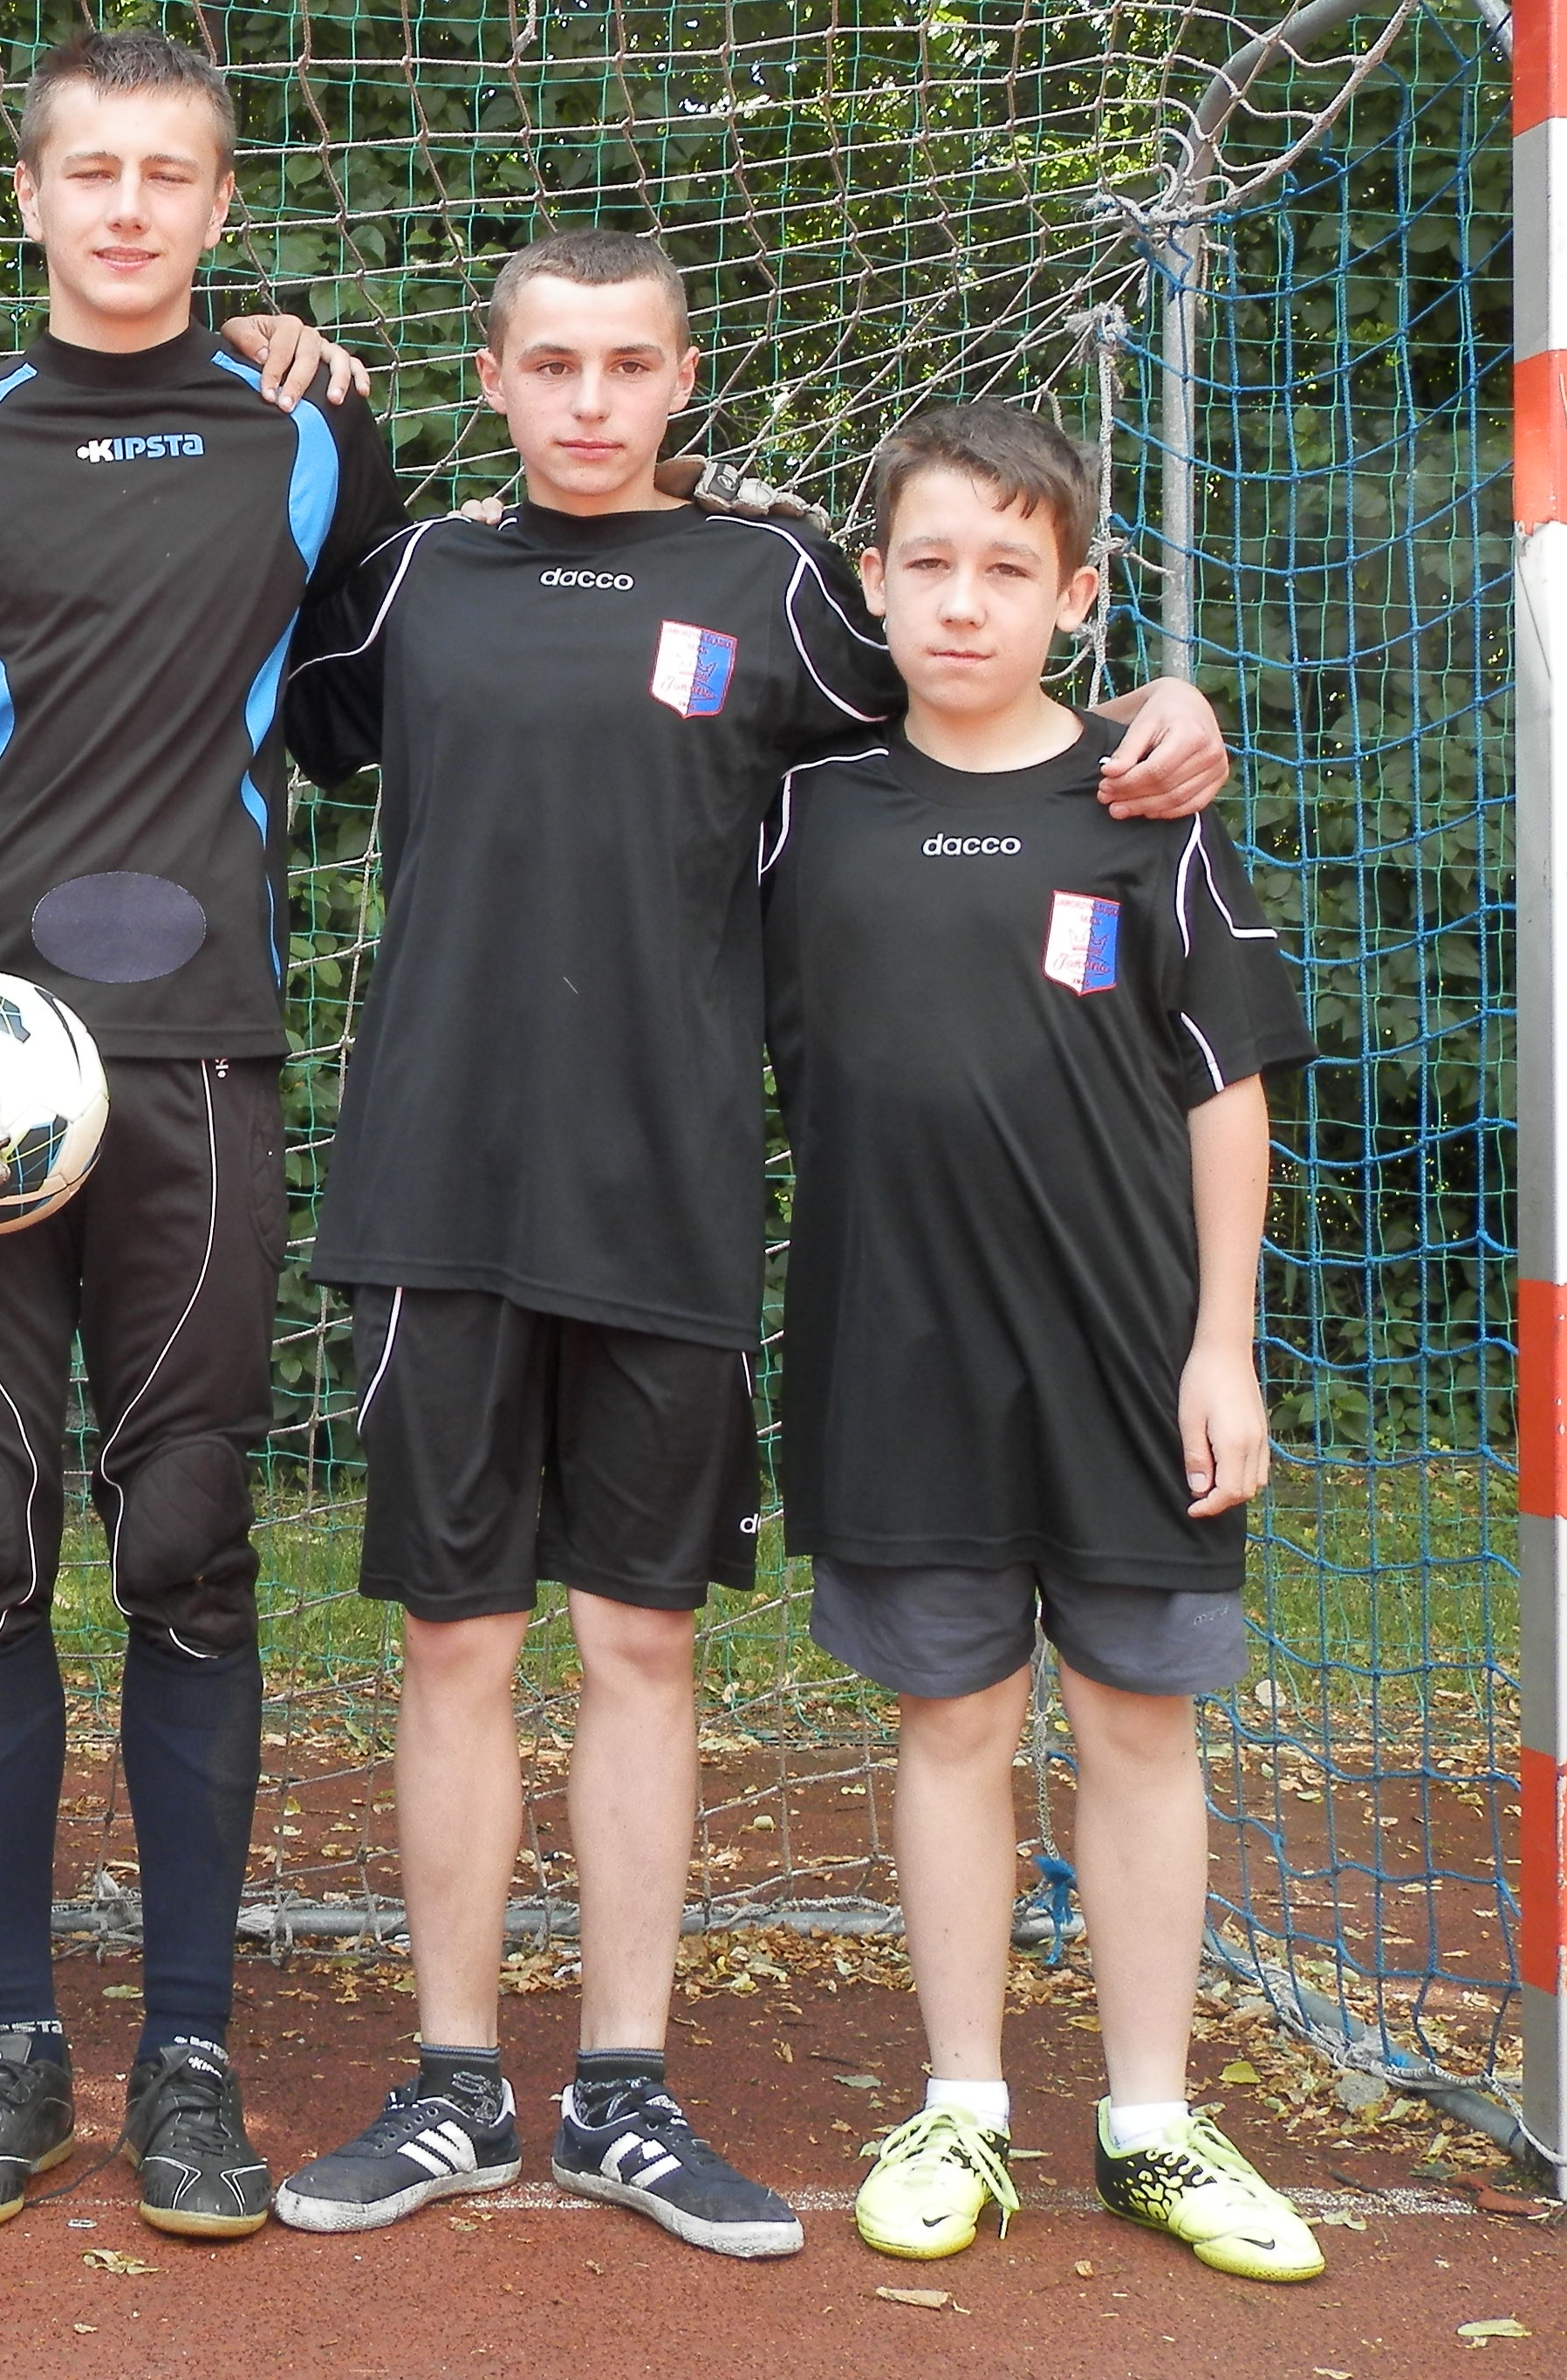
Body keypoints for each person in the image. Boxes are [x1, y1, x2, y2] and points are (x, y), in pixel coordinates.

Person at [271, 228, 1228, 2257]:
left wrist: (1166, 698)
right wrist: (298, 402)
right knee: (455, 1644)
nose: (590, 399)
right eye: (552, 364)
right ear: (494, 376)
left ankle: (624, 2089)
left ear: (683, 375)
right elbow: (256, 677)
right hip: (435, 1192)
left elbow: (990, 682)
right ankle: (455, 2083)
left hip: (673, 1200)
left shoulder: (782, 584)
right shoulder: (417, 581)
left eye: (628, 364)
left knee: (642, 1643)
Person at [0, 25, 407, 2241]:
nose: (130, 207)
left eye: (171, 174)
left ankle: (196, 2058)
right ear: (28, 197)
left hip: (202, 1065)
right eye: (93, 171)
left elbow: (379, 704)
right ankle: (12, 2042)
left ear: (222, 206)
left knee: (188, 1545)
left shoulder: (312, 436)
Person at [762, 401, 1322, 2285]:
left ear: (1078, 597)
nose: (964, 601)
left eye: (1010, 568)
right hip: (896, 1347)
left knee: (1138, 1721)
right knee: (954, 1721)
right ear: (871, 582)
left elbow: (1225, 1089)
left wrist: (1224, 1347)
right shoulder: (800, 805)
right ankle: (963, 2103)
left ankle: (1153, 2119)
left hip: (1128, 1350)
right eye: (928, 562)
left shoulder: (1151, 805)